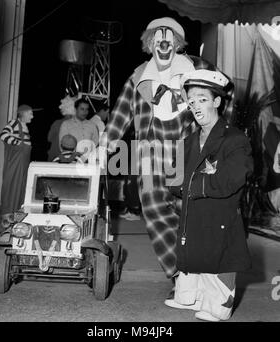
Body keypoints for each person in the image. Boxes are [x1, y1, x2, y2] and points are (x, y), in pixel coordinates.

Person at [101, 17, 197, 279]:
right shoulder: (139, 76)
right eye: (157, 39)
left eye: (168, 39)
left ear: (177, 43)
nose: (162, 44)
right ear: (149, 43)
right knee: (154, 207)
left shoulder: (194, 69)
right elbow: (121, 113)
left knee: (189, 211)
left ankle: (202, 268)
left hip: (187, 149)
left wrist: (219, 136)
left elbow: (224, 96)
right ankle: (181, 274)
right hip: (152, 152)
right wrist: (103, 147)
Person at [165, 69, 253, 321]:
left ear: (217, 102)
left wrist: (190, 183)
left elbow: (231, 180)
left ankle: (219, 307)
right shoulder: (188, 140)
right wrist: (188, 183)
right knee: (191, 253)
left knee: (218, 257)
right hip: (192, 216)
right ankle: (189, 298)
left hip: (221, 216)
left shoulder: (234, 140)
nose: (194, 105)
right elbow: (173, 179)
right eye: (191, 101)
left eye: (202, 99)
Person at [0, 104, 39, 221]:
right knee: (11, 183)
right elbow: (3, 135)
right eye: (30, 113)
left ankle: (17, 211)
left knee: (21, 185)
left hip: (24, 160)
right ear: (23, 113)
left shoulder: (24, 126)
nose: (32, 116)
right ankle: (7, 213)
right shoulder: (14, 123)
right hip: (16, 161)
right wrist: (17, 143)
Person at [47, 94, 76, 161]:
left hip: (54, 155)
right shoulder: (76, 125)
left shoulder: (56, 123)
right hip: (69, 157)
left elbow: (49, 139)